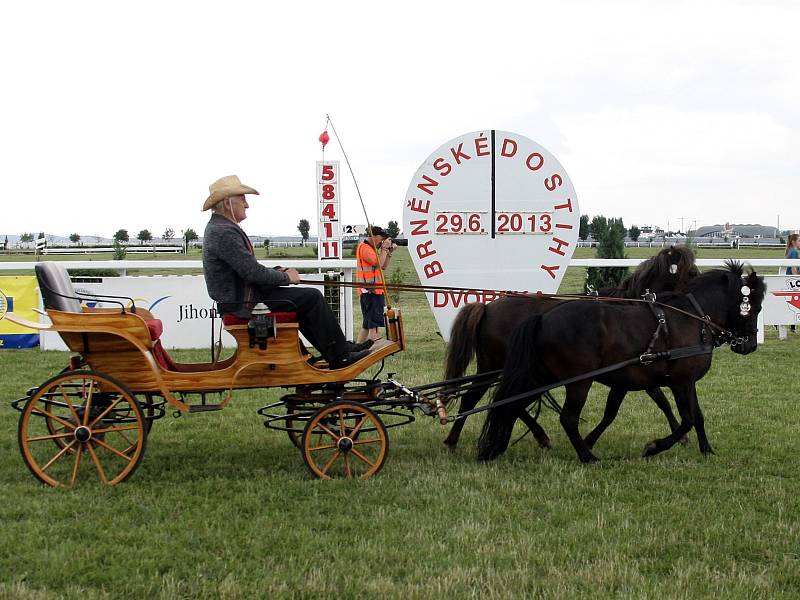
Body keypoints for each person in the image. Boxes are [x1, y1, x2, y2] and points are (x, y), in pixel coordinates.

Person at [201, 175, 370, 369]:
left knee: (305, 299)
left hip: (244, 298)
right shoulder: (224, 232)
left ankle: (338, 350)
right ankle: (339, 355)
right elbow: (252, 273)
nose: (247, 205)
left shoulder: (221, 228)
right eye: (242, 199)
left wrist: (277, 272)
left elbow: (247, 270)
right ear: (227, 202)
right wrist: (285, 277)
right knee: (311, 298)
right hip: (243, 304)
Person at [355, 226, 396, 343]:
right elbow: (377, 263)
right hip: (370, 291)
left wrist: (388, 252)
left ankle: (356, 349)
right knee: (372, 323)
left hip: (374, 290)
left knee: (367, 325)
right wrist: (384, 249)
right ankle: (373, 340)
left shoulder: (371, 249)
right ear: (375, 236)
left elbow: (383, 266)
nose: (382, 242)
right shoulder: (365, 248)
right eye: (381, 239)